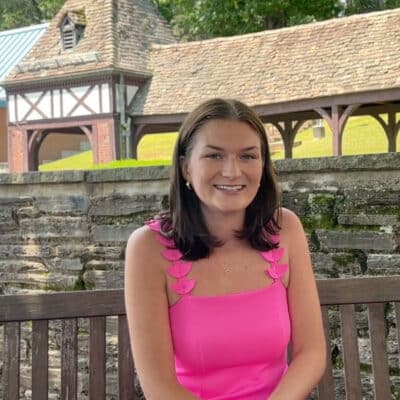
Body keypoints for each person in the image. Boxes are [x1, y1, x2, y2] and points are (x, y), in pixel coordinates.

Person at [124, 98, 326, 399]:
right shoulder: (147, 248)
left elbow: (311, 352)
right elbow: (160, 387)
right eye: (214, 156)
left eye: (248, 156)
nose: (232, 172)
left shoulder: (287, 231)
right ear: (185, 168)